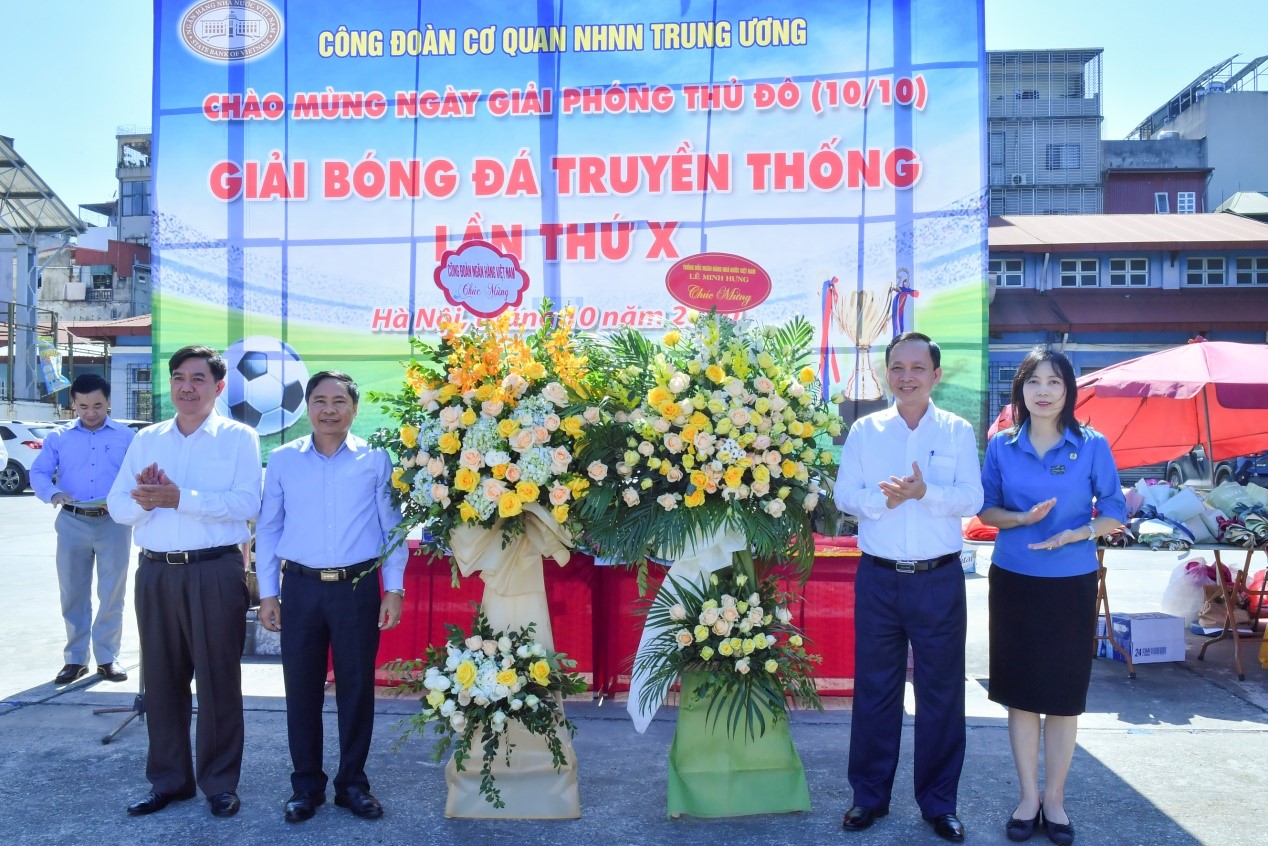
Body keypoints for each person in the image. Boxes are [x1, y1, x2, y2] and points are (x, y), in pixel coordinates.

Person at [833, 331, 983, 843]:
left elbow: (972, 497)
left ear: (936, 375)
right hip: (879, 578)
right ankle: (868, 797)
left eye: (918, 368)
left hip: (938, 578)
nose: (907, 377)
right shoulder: (866, 430)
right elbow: (845, 495)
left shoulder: (956, 430)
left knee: (942, 694)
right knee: (876, 691)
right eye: (898, 367)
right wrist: (886, 501)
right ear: (886, 374)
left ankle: (939, 804)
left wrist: (926, 493)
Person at [977, 347, 1126, 846]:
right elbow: (987, 511)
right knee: (1020, 694)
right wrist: (1022, 519)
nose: (1043, 391)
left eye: (1054, 382)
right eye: (1034, 381)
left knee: (1063, 697)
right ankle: (1028, 798)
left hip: (1071, 582)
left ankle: (1056, 800)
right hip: (1014, 578)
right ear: (1020, 389)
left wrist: (1076, 533)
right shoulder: (1002, 446)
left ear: (1069, 390)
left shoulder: (1092, 445)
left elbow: (1114, 510)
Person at [106, 346, 262, 819]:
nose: (186, 387)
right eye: (178, 377)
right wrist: (146, 500)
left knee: (218, 681)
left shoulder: (238, 437)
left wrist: (179, 498)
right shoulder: (148, 439)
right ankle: (170, 781)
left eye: (198, 378)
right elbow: (117, 506)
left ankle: (220, 783)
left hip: (214, 570)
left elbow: (246, 504)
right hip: (156, 572)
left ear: (218, 387)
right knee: (161, 681)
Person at [254, 371, 406, 823]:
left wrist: (394, 588)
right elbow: (269, 528)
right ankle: (306, 786)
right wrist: (268, 593)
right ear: (307, 407)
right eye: (319, 401)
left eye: (339, 401)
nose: (329, 410)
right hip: (300, 588)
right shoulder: (283, 459)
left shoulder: (376, 459)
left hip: (357, 589)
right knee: (301, 689)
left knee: (356, 690)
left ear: (354, 409)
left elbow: (393, 529)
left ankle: (352, 785)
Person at [30, 374, 136, 685]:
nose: (91, 413)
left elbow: (137, 474)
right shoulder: (58, 437)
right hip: (72, 521)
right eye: (83, 406)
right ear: (73, 404)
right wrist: (52, 493)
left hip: (113, 522)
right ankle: (75, 659)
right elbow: (39, 472)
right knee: (73, 592)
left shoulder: (127, 437)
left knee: (112, 593)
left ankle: (107, 658)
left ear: (109, 402)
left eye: (98, 406)